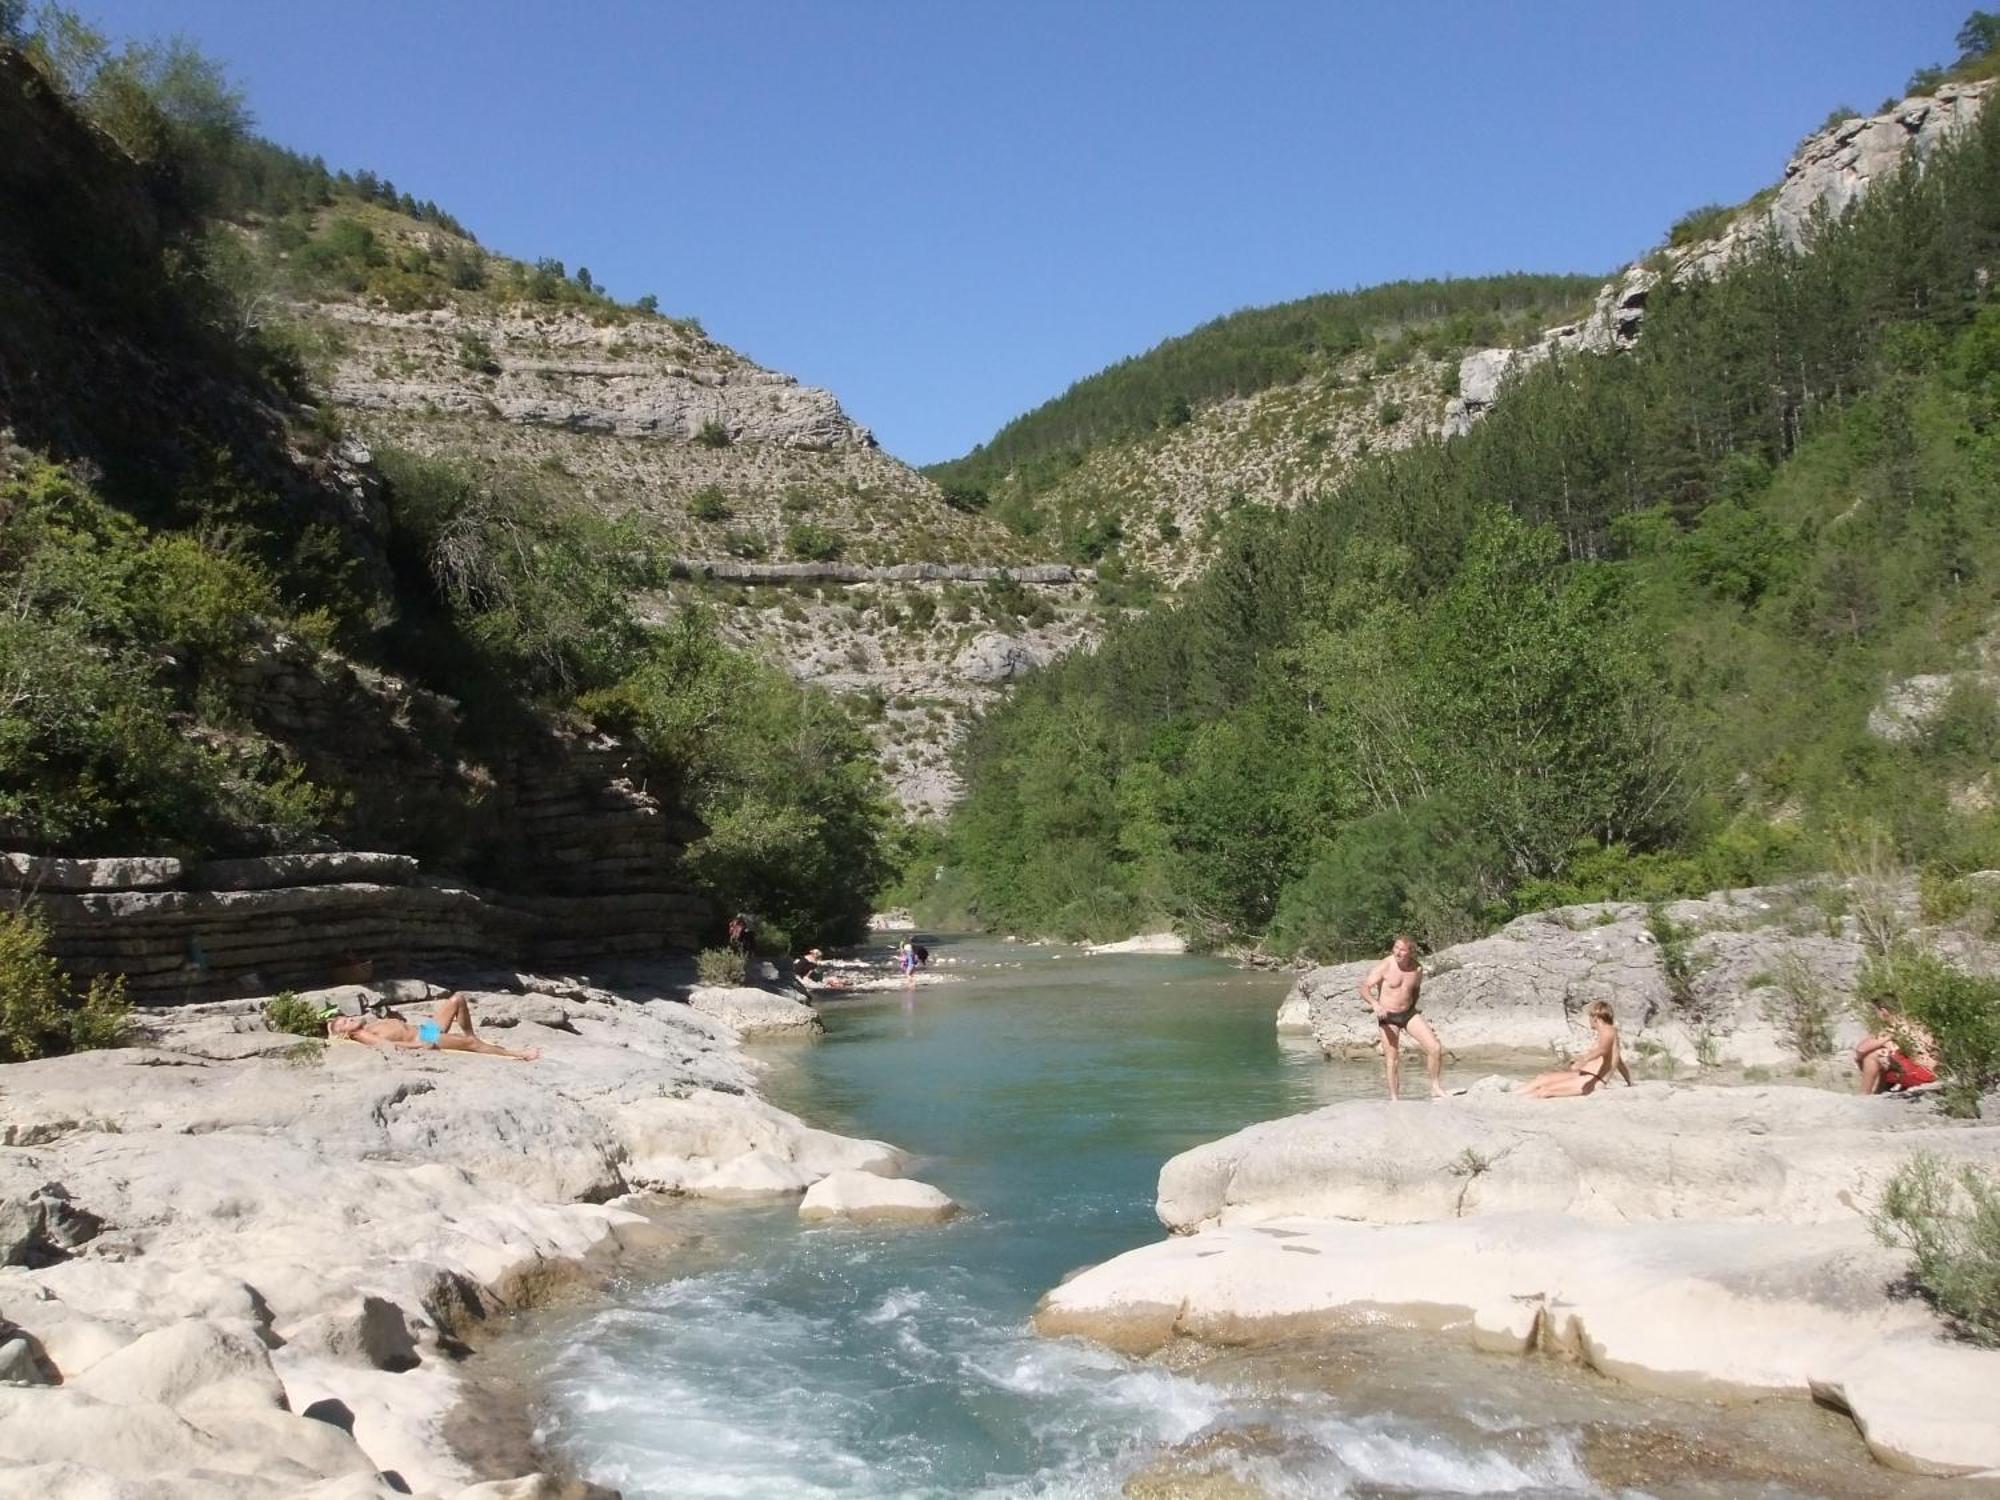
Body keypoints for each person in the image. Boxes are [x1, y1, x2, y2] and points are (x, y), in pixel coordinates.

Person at [328, 991, 538, 1061]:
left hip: (425, 1030)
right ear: (346, 1034)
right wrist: (420, 1047)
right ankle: (518, 1054)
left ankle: (473, 1038)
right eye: (345, 1023)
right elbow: (387, 1046)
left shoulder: (369, 1024)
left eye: (346, 1018)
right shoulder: (364, 1036)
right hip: (425, 1039)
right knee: (469, 1043)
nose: (349, 1019)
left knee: (457, 999)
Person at [1358, 934, 1444, 1100]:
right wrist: (1375, 1004)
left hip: (1409, 1014)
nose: (1397, 952)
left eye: (1402, 950)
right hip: (1388, 1016)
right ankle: (1394, 1098)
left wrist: (1413, 1007)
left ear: (1410, 952)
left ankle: (1435, 1087)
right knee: (1392, 1058)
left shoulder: (1417, 969)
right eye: (1396, 947)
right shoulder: (1385, 965)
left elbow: (1416, 989)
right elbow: (1364, 988)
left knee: (1434, 1047)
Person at [1520, 1001, 1632, 1098]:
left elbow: (1602, 1050)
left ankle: (1520, 1100)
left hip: (1593, 1080)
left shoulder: (1607, 1030)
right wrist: (1629, 1081)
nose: (1589, 1020)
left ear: (1595, 1017)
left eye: (1589, 1017)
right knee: (1542, 1079)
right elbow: (1618, 1062)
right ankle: (1513, 1095)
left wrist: (1583, 1060)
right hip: (1585, 1075)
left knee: (1545, 1090)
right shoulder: (1608, 1034)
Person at [1855, 999, 1938, 1093]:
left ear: (1884, 1011)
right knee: (1888, 1053)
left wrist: (1859, 1059)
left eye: (1877, 1012)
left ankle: (1864, 1094)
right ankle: (1880, 1091)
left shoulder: (1895, 1027)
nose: (1876, 1016)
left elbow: (1861, 1049)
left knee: (1874, 1055)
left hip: (1920, 1075)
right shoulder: (1913, 1023)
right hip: (1932, 1073)